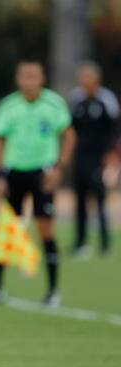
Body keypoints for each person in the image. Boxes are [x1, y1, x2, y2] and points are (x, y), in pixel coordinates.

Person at [0, 61, 76, 307]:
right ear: (18, 79)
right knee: (4, 229)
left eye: (34, 76)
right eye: (25, 76)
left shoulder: (53, 104)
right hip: (14, 173)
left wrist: (59, 170)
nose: (29, 81)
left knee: (46, 230)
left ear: (42, 79)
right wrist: (0, 175)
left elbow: (68, 136)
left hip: (42, 173)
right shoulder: (8, 105)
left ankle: (53, 291)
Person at [68, 61, 119, 258]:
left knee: (100, 201)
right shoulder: (76, 100)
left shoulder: (106, 100)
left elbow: (115, 129)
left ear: (96, 81)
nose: (84, 84)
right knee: (80, 201)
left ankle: (105, 244)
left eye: (87, 80)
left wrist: (111, 153)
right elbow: (70, 129)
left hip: (100, 159)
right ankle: (80, 243)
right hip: (81, 158)